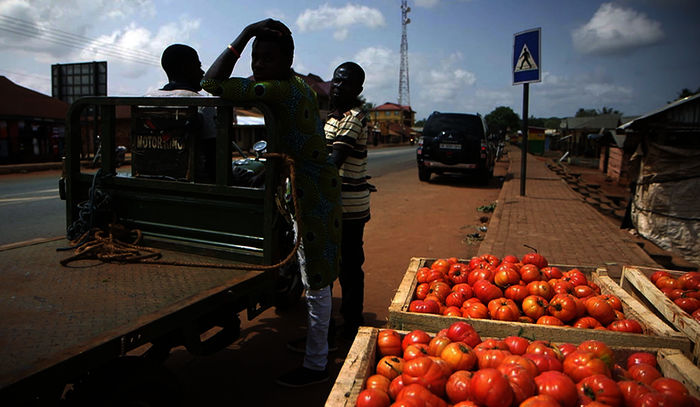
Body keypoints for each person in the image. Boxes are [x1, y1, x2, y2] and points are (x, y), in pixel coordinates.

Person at [201, 19, 342, 388]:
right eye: (254, 57)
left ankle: (316, 366)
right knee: (318, 276)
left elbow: (211, 83)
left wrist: (245, 31)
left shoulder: (279, 89)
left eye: (267, 57)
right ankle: (319, 348)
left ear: (287, 59)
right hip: (312, 185)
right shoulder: (297, 85)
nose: (258, 65)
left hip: (310, 192)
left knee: (315, 280)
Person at [324, 62, 371, 339]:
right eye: (335, 81)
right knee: (332, 266)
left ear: (358, 90)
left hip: (349, 209)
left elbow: (334, 160)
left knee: (349, 267)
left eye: (345, 83)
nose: (337, 86)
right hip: (333, 204)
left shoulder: (355, 117)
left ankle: (351, 323)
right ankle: (330, 325)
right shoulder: (332, 119)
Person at [145, 44, 217, 183]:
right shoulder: (202, 103)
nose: (202, 72)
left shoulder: (146, 100)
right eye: (198, 66)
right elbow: (213, 156)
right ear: (185, 68)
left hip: (152, 179)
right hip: (195, 184)